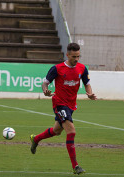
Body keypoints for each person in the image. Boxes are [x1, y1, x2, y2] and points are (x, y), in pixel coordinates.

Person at [30, 43, 97, 175]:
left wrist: (89, 93)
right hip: (59, 103)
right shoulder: (57, 68)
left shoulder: (82, 68)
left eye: (78, 56)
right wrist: (46, 91)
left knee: (56, 130)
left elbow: (87, 84)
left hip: (71, 104)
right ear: (67, 55)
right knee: (71, 131)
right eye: (73, 56)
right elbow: (45, 83)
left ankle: (36, 139)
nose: (76, 59)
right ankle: (75, 166)